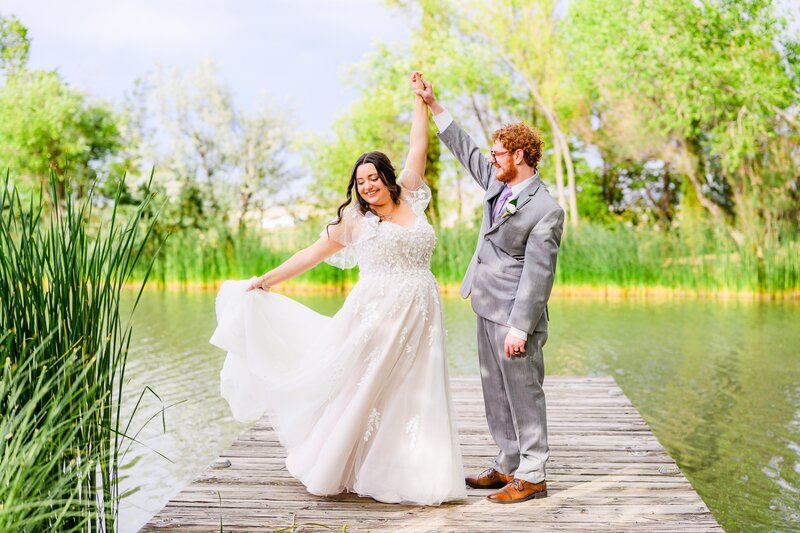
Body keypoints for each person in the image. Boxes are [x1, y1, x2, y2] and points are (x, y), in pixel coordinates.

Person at [209, 72, 466, 505]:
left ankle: (412, 470)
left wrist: (422, 102)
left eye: (373, 178)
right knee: (363, 387)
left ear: (387, 177)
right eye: (360, 181)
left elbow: (418, 147)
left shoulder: (411, 194)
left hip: (421, 307)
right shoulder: (354, 220)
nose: (367, 186)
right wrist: (265, 280)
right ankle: (340, 462)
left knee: (413, 389)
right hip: (376, 312)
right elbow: (310, 254)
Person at [413, 77, 564, 503]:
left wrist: (520, 327)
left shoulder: (546, 210)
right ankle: (508, 462)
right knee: (494, 389)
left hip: (516, 317)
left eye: (499, 152)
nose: (492, 159)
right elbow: (466, 151)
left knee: (524, 393)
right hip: (484, 302)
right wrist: (434, 103)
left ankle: (533, 474)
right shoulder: (498, 182)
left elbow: (540, 274)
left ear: (520, 155)